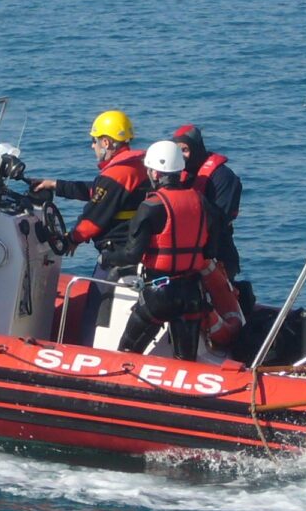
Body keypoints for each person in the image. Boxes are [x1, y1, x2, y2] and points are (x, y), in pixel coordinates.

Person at [31, 110, 149, 345]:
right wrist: (57, 185)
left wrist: (72, 238)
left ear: (106, 142)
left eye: (94, 141)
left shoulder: (117, 174)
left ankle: (89, 348)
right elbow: (98, 193)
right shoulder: (134, 167)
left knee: (94, 311)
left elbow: (95, 217)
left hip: (118, 253)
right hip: (135, 247)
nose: (92, 146)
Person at [101, 140, 208, 361]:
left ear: (156, 174)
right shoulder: (202, 201)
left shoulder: (150, 207)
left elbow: (132, 254)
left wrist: (108, 256)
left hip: (160, 293)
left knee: (127, 354)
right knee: (186, 361)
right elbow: (212, 246)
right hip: (192, 292)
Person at [172, 124, 243, 278]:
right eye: (177, 152)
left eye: (185, 150)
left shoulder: (223, 177)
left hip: (218, 252)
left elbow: (221, 219)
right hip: (187, 252)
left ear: (196, 149)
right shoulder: (177, 176)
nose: (182, 156)